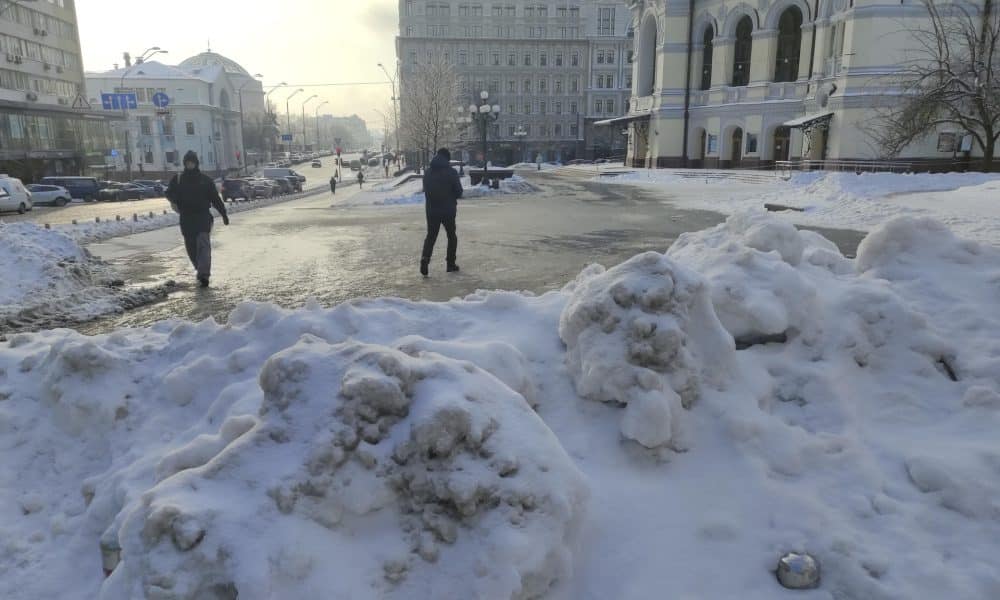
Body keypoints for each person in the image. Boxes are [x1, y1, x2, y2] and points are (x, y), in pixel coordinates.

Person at [166, 150, 229, 288]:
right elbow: (168, 193)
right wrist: (175, 198)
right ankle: (199, 269)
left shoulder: (205, 180)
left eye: (192, 162)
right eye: (188, 163)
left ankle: (204, 274)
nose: (190, 165)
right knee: (191, 248)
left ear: (196, 163)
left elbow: (215, 198)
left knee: (204, 247)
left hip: (202, 217)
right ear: (184, 164)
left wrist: (223, 214)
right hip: (187, 219)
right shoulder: (178, 179)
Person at [420, 148, 463, 277]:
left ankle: (425, 259)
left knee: (431, 236)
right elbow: (459, 192)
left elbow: (426, 190)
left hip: (432, 210)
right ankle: (450, 264)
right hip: (448, 210)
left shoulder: (428, 173)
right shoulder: (451, 172)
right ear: (447, 158)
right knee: (451, 236)